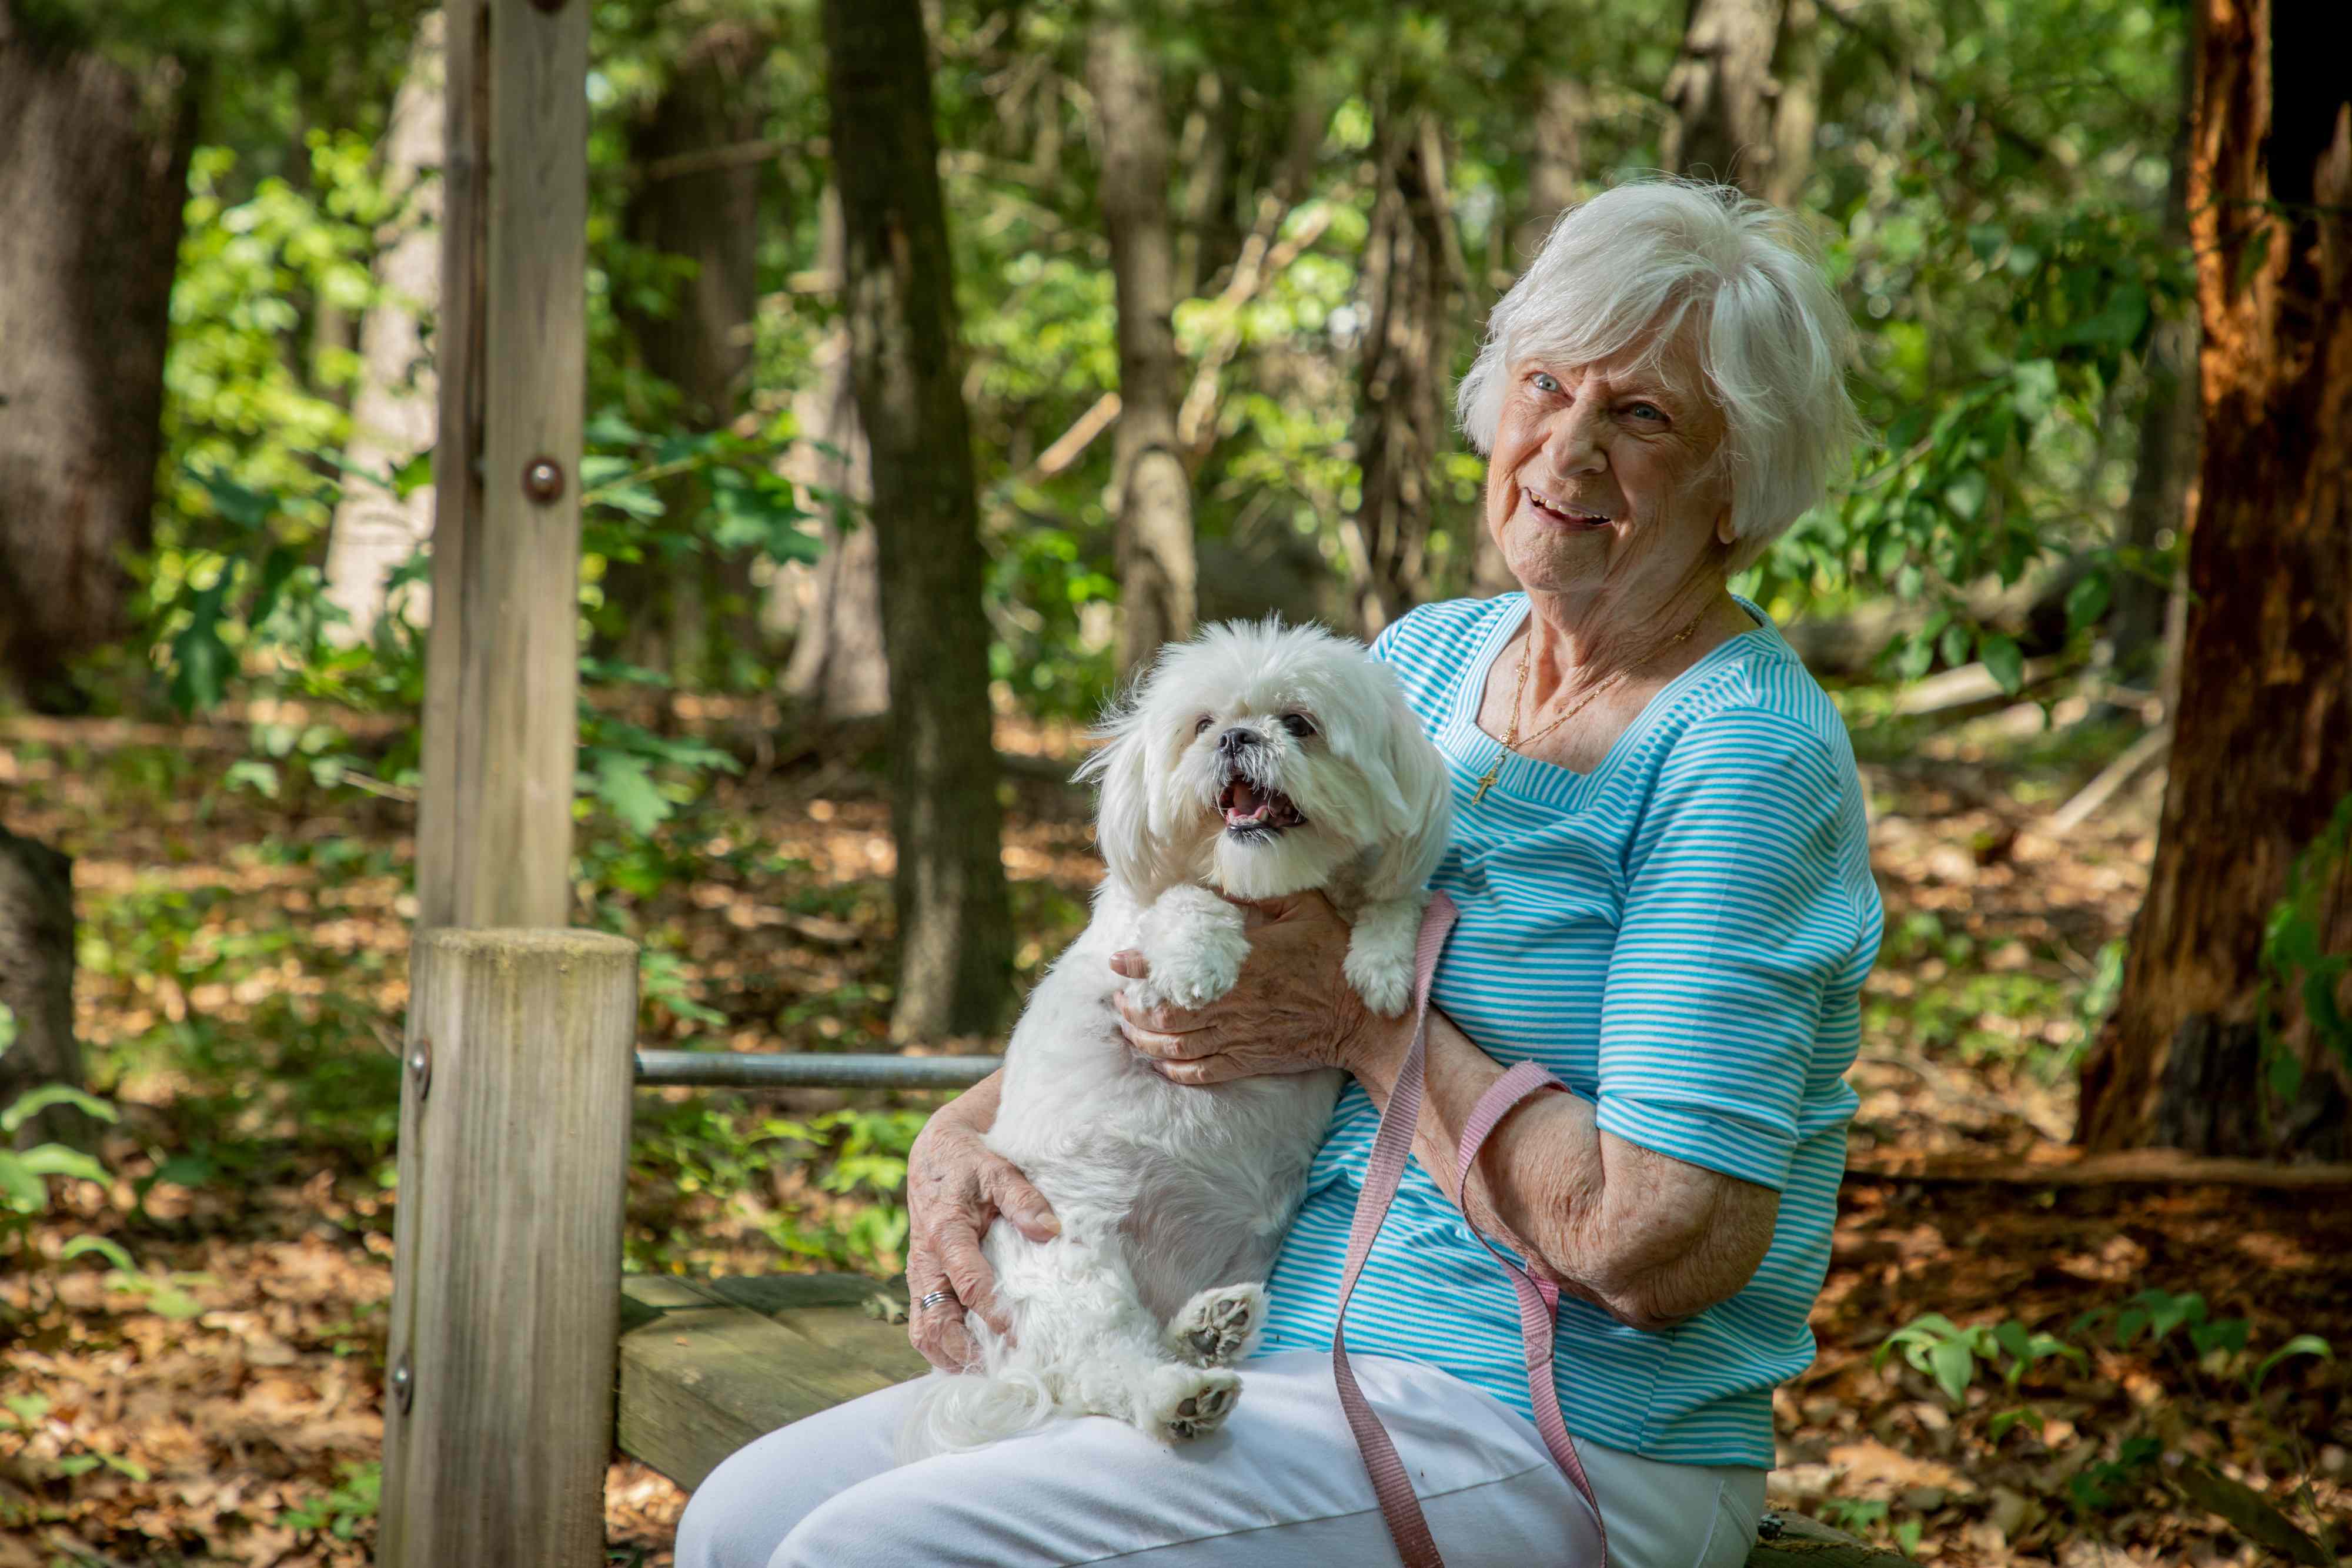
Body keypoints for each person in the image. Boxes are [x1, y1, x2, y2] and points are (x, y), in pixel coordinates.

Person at [677, 177, 1881, 1568]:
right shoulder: (1428, 658)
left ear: (1741, 479)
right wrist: (961, 1139)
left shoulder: (1737, 755)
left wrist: (1364, 1025)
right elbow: (1202, 955)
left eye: (1643, 414)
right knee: (737, 1522)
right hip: (1264, 1337)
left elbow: (1655, 1244)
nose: (1564, 445)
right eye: (1545, 383)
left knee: (867, 1558)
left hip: (1538, 1424)